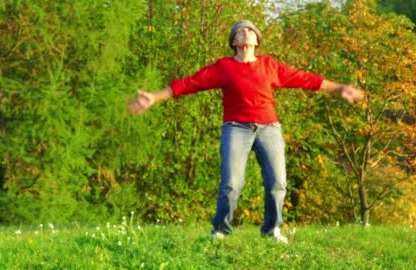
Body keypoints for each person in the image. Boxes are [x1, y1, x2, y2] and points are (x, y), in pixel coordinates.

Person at [128, 20, 364, 244]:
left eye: (250, 30)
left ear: (257, 40)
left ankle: (272, 230)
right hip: (236, 129)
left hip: (269, 128)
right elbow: (190, 83)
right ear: (233, 41)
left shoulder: (269, 65)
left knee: (277, 183)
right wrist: (154, 97)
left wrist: (340, 88)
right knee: (231, 183)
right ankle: (221, 230)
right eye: (240, 31)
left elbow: (304, 78)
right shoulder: (224, 67)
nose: (246, 32)